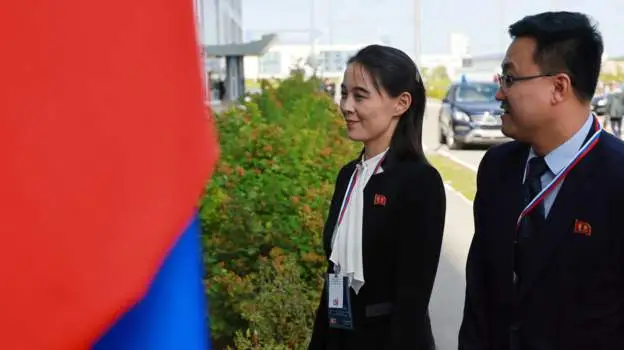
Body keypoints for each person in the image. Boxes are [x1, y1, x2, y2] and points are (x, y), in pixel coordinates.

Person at [459, 12, 624, 350]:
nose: (499, 93)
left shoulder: (617, 177)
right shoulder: (497, 168)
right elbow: (479, 295)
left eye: (509, 78)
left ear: (558, 87)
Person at [308, 44, 446, 349]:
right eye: (344, 94)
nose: (346, 106)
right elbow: (334, 280)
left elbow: (412, 299)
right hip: (339, 336)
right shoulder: (348, 175)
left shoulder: (419, 182)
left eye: (360, 96)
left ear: (401, 103)